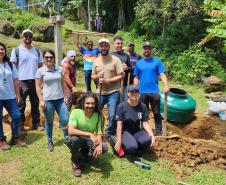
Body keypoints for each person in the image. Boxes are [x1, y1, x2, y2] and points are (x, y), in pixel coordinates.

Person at [66, 92, 108, 177]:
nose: (90, 106)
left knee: (104, 147)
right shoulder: (76, 112)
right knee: (74, 140)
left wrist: (99, 145)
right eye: (87, 103)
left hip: (89, 141)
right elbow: (70, 130)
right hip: (77, 138)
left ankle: (85, 155)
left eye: (93, 103)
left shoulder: (99, 115)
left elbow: (99, 133)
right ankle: (75, 161)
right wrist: (89, 134)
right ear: (83, 103)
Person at [10, 29, 43, 135]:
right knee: (21, 104)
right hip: (21, 82)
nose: (28, 38)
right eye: (26, 36)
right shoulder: (16, 50)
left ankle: (36, 123)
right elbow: (13, 67)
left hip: (34, 81)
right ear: (22, 37)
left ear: (32, 37)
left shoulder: (37, 51)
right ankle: (21, 125)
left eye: (30, 36)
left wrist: (41, 81)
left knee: (35, 103)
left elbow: (40, 66)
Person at [35, 49, 69, 152]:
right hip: (48, 100)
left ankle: (67, 139)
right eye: (46, 57)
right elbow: (37, 87)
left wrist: (65, 96)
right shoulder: (40, 71)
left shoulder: (59, 69)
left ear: (54, 58)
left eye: (51, 57)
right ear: (43, 58)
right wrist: (41, 100)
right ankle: (50, 141)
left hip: (60, 100)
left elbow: (63, 83)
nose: (49, 59)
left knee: (65, 119)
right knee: (49, 121)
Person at [134, 41, 169, 135]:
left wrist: (166, 86)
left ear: (151, 50)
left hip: (154, 91)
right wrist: (135, 89)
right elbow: (136, 77)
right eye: (145, 48)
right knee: (142, 114)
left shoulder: (157, 61)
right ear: (142, 49)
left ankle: (159, 132)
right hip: (142, 92)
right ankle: (143, 131)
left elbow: (162, 74)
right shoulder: (138, 63)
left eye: (149, 48)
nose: (147, 50)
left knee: (157, 113)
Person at [92, 38, 124, 138]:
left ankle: (109, 134)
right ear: (99, 48)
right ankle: (98, 131)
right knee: (96, 112)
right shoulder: (96, 61)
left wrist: (108, 80)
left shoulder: (116, 60)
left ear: (109, 47)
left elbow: (121, 75)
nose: (104, 48)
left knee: (112, 115)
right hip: (100, 91)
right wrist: (98, 77)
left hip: (113, 92)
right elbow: (93, 76)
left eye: (106, 46)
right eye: (102, 46)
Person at [111, 84, 155, 156]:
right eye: (132, 92)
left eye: (136, 92)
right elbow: (119, 124)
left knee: (147, 140)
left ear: (138, 93)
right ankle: (119, 142)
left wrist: (152, 135)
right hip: (124, 131)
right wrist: (119, 140)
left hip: (136, 130)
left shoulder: (142, 106)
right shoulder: (121, 106)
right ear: (128, 93)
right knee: (132, 147)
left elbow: (145, 123)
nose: (134, 94)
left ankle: (135, 145)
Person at [0, 42, 26, 150]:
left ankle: (15, 137)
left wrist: (18, 95)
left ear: (5, 51)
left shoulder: (10, 64)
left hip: (10, 96)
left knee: (16, 116)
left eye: (2, 49)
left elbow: (16, 80)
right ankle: (1, 140)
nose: (0, 51)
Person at [111, 35, 131, 101]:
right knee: (114, 104)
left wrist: (127, 68)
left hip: (124, 85)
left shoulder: (126, 56)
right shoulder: (110, 55)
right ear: (113, 44)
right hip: (113, 85)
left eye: (121, 43)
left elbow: (130, 68)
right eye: (118, 43)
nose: (120, 45)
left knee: (125, 103)